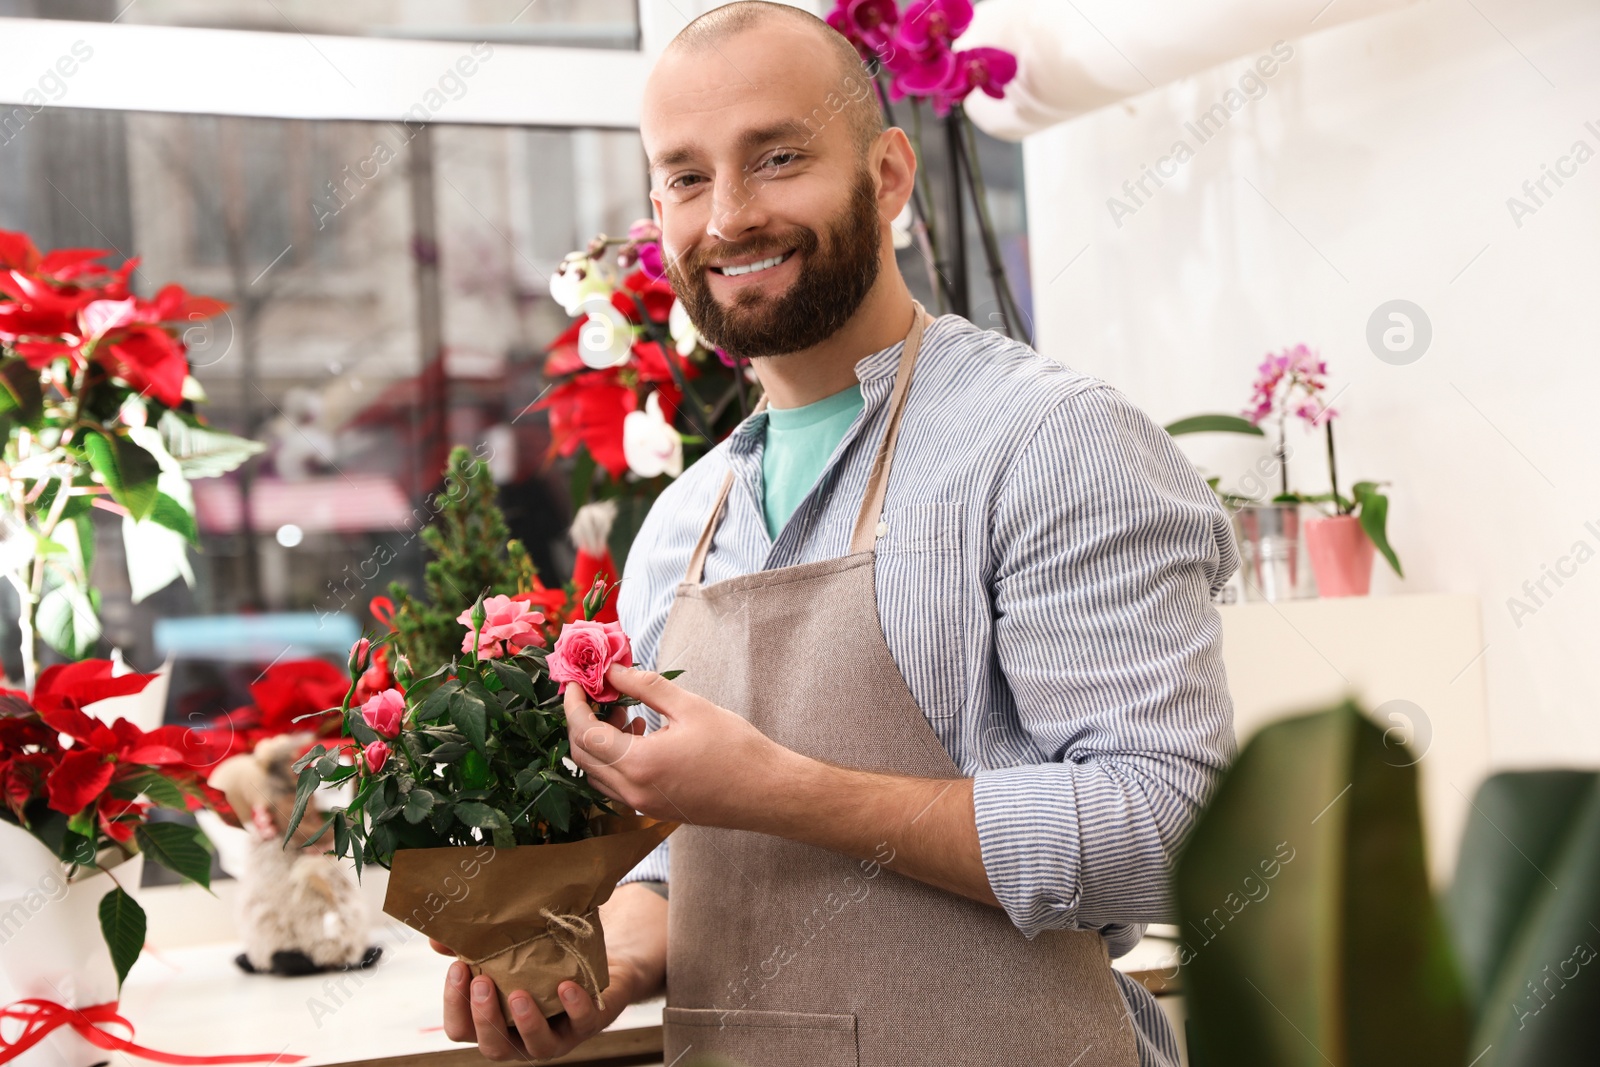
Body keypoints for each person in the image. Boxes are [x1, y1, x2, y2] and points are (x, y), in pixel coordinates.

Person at [434, 3, 1238, 1064]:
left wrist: (779, 787)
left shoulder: (1049, 441)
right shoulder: (681, 524)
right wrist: (606, 958)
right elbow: (694, 860)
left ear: (890, 175)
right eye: (683, 176)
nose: (725, 216)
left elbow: (1173, 831)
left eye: (775, 157)